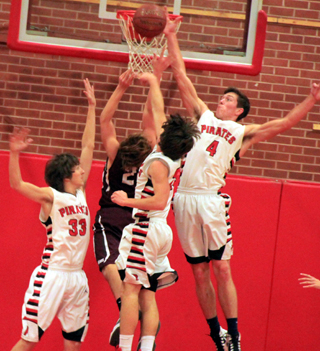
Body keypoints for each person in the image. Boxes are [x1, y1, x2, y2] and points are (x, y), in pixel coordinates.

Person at [163, 13, 320, 351]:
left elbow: (285, 123)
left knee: (220, 267)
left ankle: (234, 334)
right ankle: (215, 332)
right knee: (199, 272)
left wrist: (311, 100)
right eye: (223, 97)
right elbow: (180, 75)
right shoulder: (203, 116)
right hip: (183, 198)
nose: (223, 99)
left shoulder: (241, 131)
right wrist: (171, 35)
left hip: (209, 199)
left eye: (229, 99)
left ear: (239, 111)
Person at [110, 72, 200, 351]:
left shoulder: (159, 164)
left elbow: (160, 201)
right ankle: (146, 347)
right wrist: (153, 81)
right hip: (158, 232)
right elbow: (159, 111)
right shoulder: (173, 156)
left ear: (165, 137)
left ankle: (126, 348)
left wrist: (126, 201)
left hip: (147, 227)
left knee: (130, 290)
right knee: (147, 293)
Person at [9, 79, 96, 351]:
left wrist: (92, 107)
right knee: (29, 340)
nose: (83, 170)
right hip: (52, 275)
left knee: (73, 342)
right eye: (77, 169)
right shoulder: (51, 197)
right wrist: (13, 154)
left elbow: (89, 147)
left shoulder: (80, 194)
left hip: (77, 277)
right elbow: (18, 185)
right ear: (67, 175)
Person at [92, 57, 171, 349]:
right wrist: (155, 80)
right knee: (145, 289)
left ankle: (120, 312)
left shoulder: (114, 153)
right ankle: (146, 340)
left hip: (112, 214)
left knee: (109, 264)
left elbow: (105, 120)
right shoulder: (156, 161)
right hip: (142, 220)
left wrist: (121, 87)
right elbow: (151, 118)